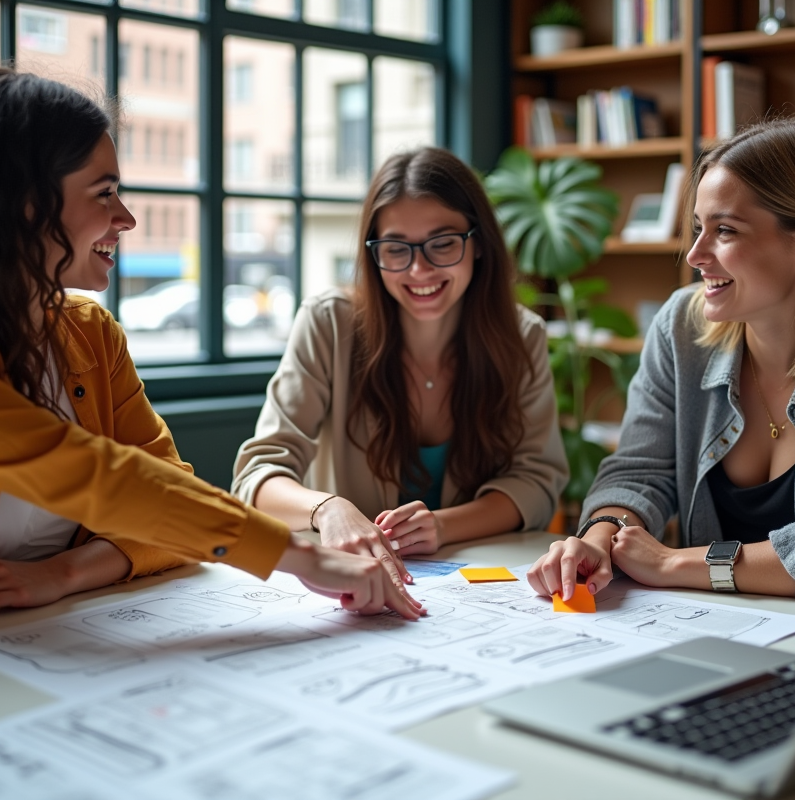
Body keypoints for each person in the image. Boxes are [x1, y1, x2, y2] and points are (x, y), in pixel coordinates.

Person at [0, 67, 422, 622]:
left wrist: (62, 574)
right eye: (103, 193)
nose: (126, 218)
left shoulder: (87, 331)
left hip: (36, 631)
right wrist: (303, 558)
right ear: (25, 203)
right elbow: (88, 475)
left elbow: (163, 492)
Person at [528, 116, 795, 604]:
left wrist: (675, 562)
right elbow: (639, 473)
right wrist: (603, 534)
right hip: (721, 630)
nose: (695, 254)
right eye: (698, 228)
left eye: (724, 230)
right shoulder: (680, 327)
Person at [232, 147, 568, 582]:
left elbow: (537, 481)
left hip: (472, 582)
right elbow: (257, 475)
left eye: (443, 244)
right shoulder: (327, 322)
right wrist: (327, 510)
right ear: (373, 253)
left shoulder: (522, 336)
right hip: (350, 581)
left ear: (479, 242)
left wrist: (443, 526)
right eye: (396, 249)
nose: (419, 269)